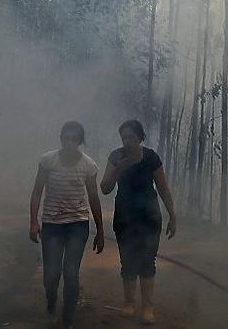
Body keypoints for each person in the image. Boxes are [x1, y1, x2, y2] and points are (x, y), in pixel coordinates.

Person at [100, 119, 177, 325]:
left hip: (149, 216)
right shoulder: (116, 156)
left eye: (132, 138)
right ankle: (129, 302)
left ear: (140, 138)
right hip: (125, 216)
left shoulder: (151, 157)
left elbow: (163, 188)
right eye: (124, 138)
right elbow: (105, 187)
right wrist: (120, 167)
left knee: (147, 262)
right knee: (127, 261)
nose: (128, 142)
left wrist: (173, 216)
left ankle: (148, 307)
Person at [29, 121, 104, 329]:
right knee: (51, 273)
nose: (69, 143)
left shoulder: (88, 166)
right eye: (66, 138)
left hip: (77, 225)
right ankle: (51, 300)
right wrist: (34, 221)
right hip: (52, 224)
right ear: (61, 139)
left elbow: (93, 197)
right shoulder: (48, 160)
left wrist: (100, 230)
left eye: (74, 139)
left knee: (71, 273)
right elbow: (37, 191)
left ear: (80, 142)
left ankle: (68, 319)